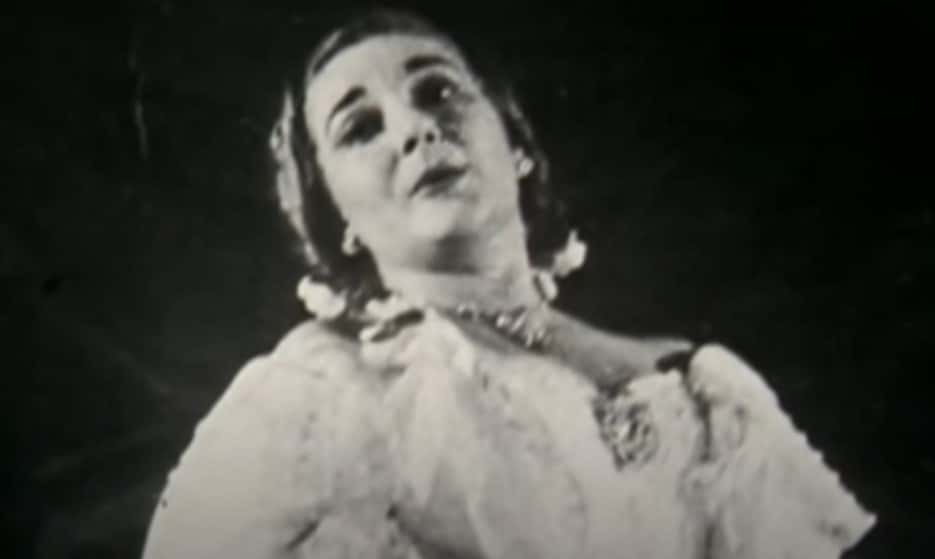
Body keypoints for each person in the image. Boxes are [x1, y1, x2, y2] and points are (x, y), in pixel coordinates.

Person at [141, 10, 875, 559]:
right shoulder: (320, 392)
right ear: (340, 220)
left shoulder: (701, 387)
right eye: (360, 127)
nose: (414, 130)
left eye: (439, 92)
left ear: (515, 144)